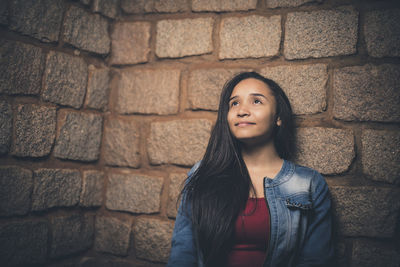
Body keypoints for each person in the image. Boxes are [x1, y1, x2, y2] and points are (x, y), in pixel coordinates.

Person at [167, 72, 334, 267]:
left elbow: (316, 260)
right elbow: (183, 253)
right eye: (234, 103)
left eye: (256, 101)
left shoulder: (309, 184)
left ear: (278, 117)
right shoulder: (201, 173)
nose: (242, 111)